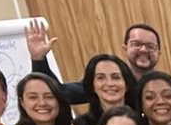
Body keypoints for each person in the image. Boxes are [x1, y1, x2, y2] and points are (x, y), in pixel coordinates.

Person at [25, 21, 161, 105]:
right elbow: (61, 93)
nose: (143, 50)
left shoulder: (164, 85)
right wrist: (39, 60)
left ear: (159, 53)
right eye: (136, 44)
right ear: (125, 48)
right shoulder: (107, 83)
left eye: (150, 46)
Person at [73, 54, 139, 125]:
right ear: (92, 86)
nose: (110, 83)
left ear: (126, 84)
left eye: (116, 77)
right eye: (100, 78)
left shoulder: (143, 118)